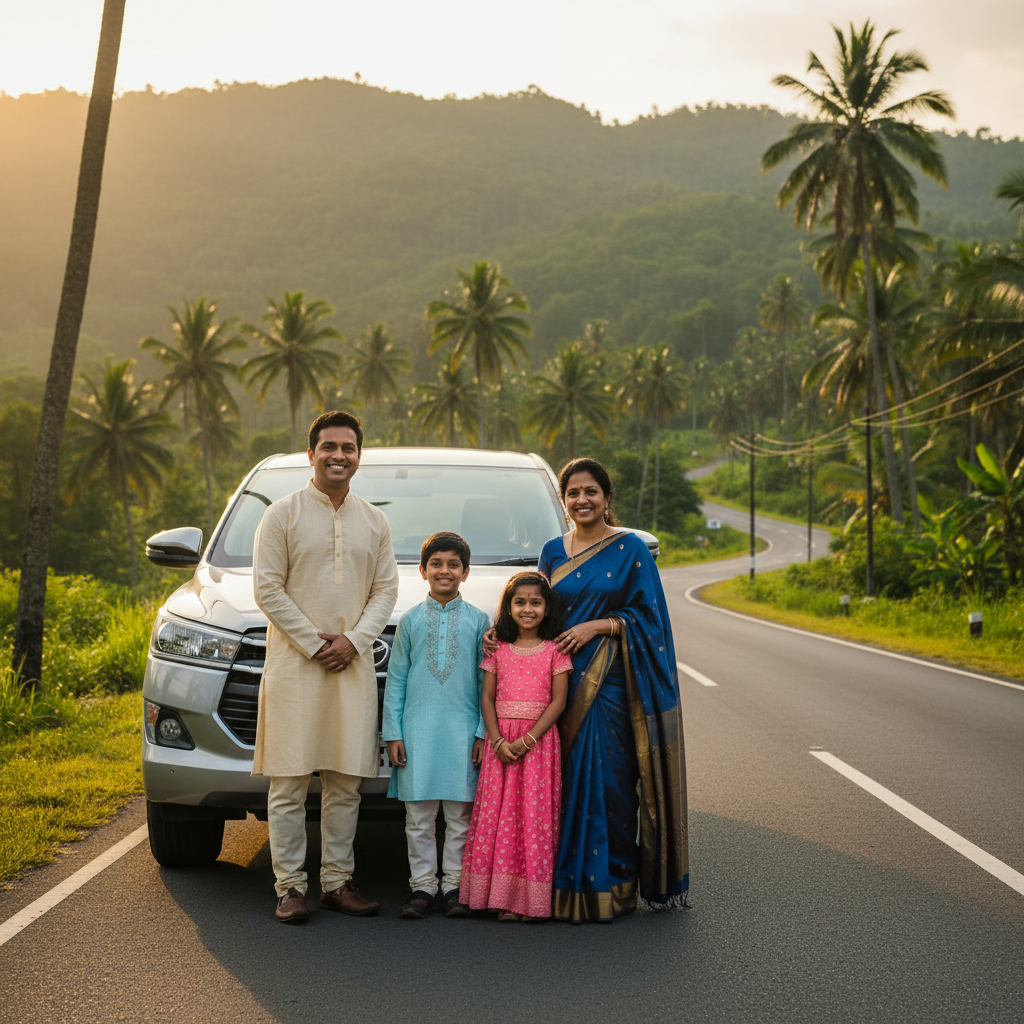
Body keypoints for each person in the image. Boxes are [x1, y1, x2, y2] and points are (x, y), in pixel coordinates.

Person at [251, 410, 399, 924]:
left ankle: (337, 883)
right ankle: (289, 887)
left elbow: (386, 591)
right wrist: (316, 645)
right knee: (289, 783)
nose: (339, 455)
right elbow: (267, 587)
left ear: (359, 456)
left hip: (351, 667)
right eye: (329, 446)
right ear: (310, 453)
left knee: (344, 784)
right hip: (296, 666)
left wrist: (354, 642)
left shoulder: (374, 520)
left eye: (349, 448)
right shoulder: (282, 514)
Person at [539, 457, 689, 923]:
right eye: (573, 493)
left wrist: (599, 626)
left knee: (611, 784)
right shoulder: (552, 551)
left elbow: (651, 618)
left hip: (611, 684)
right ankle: (565, 886)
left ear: (607, 498)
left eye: (591, 492)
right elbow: (536, 611)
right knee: (562, 785)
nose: (582, 500)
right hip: (560, 680)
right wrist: (499, 635)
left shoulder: (629, 549)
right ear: (563, 502)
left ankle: (614, 885)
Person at [381, 531, 491, 921]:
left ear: (465, 572)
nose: (445, 571)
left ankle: (455, 887)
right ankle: (423, 886)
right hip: (416, 734)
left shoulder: (480, 621)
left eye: (453, 565)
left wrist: (482, 732)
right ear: (423, 570)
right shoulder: (410, 621)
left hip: (462, 733)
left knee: (460, 817)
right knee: (418, 818)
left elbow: (487, 683)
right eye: (437, 564)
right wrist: (391, 732)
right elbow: (397, 679)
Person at [460, 572, 570, 922]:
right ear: (508, 607)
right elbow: (487, 697)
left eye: (535, 602)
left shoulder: (555, 651)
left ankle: (529, 902)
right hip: (501, 744)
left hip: (537, 745)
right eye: (519, 602)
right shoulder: (498, 650)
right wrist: (496, 739)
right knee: (499, 816)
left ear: (547, 608)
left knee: (532, 819)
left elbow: (559, 702)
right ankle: (497, 896)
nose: (527, 609)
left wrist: (528, 740)